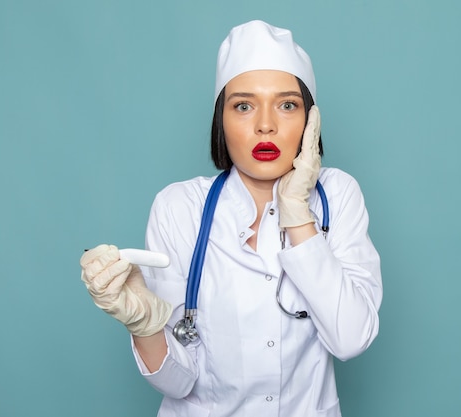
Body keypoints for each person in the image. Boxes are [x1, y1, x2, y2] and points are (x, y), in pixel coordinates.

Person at [81, 20, 382, 417]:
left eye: (287, 104)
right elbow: (178, 382)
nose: (265, 124)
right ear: (220, 120)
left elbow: (351, 339)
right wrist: (145, 327)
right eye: (243, 105)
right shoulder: (180, 208)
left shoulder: (338, 195)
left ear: (311, 121)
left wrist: (296, 213)